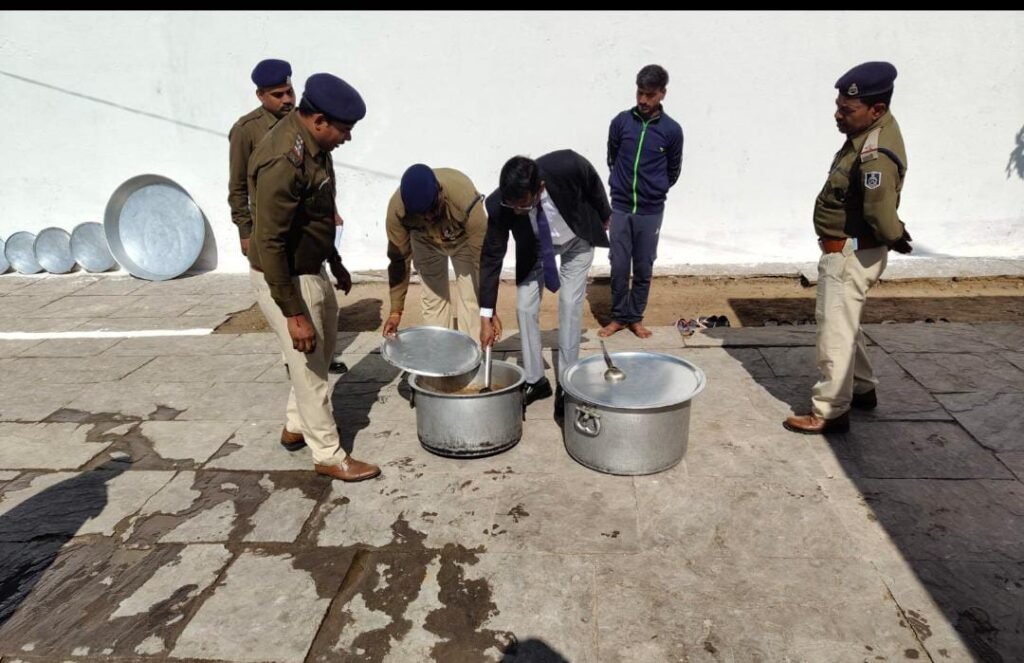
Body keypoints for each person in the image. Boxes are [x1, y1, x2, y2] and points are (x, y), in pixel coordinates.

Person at [248, 72, 380, 481]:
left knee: (317, 357)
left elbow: (318, 213)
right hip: (286, 277)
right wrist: (293, 312)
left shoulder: (316, 146)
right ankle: (328, 454)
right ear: (320, 120)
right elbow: (269, 241)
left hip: (312, 267)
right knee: (309, 370)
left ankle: (295, 427)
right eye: (345, 128)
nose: (349, 137)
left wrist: (334, 259)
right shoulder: (282, 159)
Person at [784, 61, 913, 434]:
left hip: (849, 253)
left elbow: (879, 211)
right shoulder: (870, 133)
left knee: (835, 333)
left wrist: (894, 234)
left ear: (876, 109)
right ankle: (862, 388)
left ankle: (830, 410)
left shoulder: (875, 154)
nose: (838, 115)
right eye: (838, 107)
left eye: (847, 109)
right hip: (854, 249)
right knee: (846, 323)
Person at [479, 151, 612, 417]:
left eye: (522, 205)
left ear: (539, 188)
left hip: (577, 240)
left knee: (570, 304)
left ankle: (567, 383)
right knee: (524, 307)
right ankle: (536, 380)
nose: (516, 211)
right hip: (536, 249)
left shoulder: (566, 165)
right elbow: (492, 256)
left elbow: (591, 179)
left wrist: (605, 213)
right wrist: (486, 314)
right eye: (512, 205)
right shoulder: (500, 205)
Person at [600, 64, 684, 339]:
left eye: (650, 95)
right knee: (619, 265)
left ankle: (635, 318)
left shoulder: (672, 130)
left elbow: (673, 170)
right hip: (621, 207)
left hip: (650, 210)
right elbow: (612, 157)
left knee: (644, 266)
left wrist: (655, 189)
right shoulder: (621, 122)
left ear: (662, 94)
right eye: (640, 93)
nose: (643, 100)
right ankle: (618, 317)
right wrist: (620, 186)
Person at [382, 164, 486, 342]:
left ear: (440, 192)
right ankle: (439, 352)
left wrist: (489, 311)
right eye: (421, 215)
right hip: (425, 242)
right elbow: (399, 259)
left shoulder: (465, 199)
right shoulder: (397, 211)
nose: (429, 218)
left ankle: (473, 352)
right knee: (434, 302)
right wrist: (395, 311)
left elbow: (482, 259)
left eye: (432, 209)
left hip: (463, 240)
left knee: (471, 299)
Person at [228, 58, 295, 257]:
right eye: (278, 95)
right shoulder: (246, 130)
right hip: (268, 229)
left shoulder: (302, 122)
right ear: (260, 95)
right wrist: (245, 232)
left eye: (290, 92)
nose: (287, 100)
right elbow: (238, 185)